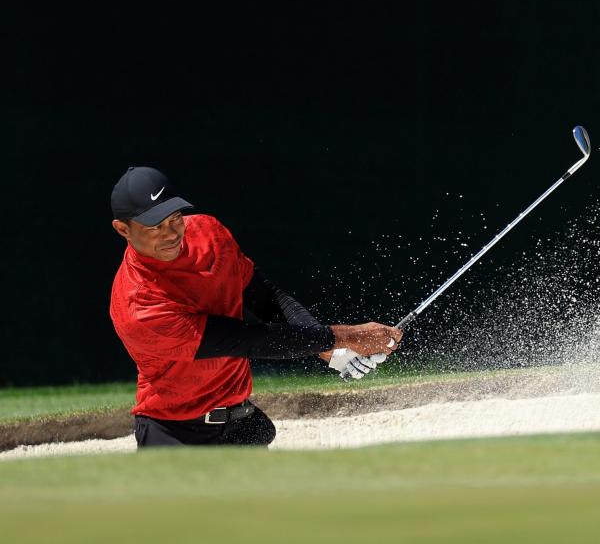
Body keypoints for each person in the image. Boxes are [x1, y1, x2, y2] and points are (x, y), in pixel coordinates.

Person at [109, 166, 401, 448]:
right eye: (155, 227)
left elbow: (265, 297)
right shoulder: (138, 303)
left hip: (241, 423)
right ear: (123, 229)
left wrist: (327, 349)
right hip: (176, 435)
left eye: (174, 219)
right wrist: (345, 337)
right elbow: (247, 340)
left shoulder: (207, 232)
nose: (171, 233)